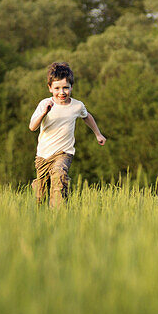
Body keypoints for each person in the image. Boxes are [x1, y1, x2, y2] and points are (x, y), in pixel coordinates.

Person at [28, 62, 106, 207]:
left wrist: (98, 134)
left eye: (66, 88)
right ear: (50, 88)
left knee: (59, 173)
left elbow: (87, 116)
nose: (62, 92)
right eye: (57, 88)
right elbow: (32, 127)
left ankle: (58, 211)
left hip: (64, 153)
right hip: (43, 156)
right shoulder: (44, 104)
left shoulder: (77, 106)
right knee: (41, 195)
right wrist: (44, 113)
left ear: (71, 87)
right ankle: (39, 203)